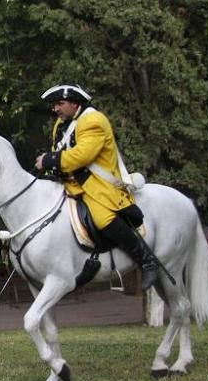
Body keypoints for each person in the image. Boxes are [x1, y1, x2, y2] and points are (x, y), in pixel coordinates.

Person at [34, 84, 158, 290]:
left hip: (98, 186)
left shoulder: (93, 120)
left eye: (59, 104)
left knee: (103, 219)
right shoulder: (61, 124)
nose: (55, 109)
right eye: (54, 105)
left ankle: (146, 261)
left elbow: (82, 156)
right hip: (72, 185)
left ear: (75, 103)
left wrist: (49, 160)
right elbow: (60, 151)